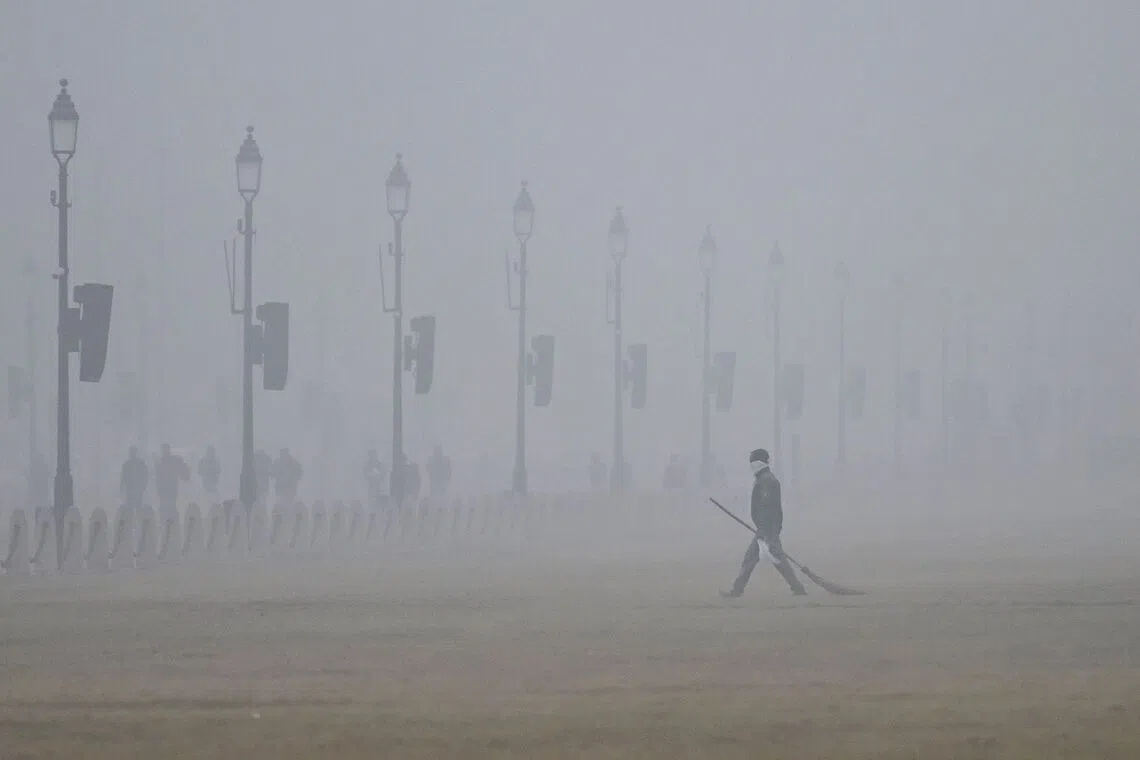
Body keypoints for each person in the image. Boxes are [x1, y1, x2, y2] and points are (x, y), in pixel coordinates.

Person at [721, 448, 807, 598]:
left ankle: (798, 588)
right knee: (752, 559)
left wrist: (764, 530)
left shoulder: (767, 481)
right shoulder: (764, 479)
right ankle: (736, 590)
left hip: (767, 529)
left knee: (777, 559)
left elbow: (768, 508)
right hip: (765, 528)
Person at [154, 443, 190, 515]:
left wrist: (186, 475)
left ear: (168, 450)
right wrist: (158, 487)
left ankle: (171, 521)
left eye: (166, 449)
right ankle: (165, 521)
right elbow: (157, 476)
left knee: (171, 505)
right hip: (163, 488)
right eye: (163, 450)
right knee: (164, 505)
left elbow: (182, 471)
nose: (165, 451)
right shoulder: (161, 462)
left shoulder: (174, 460)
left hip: (172, 487)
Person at [119, 446, 149, 515]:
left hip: (138, 489)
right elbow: (123, 477)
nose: (132, 454)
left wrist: (144, 486)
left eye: (133, 452)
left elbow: (145, 475)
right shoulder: (127, 464)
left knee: (138, 506)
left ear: (135, 453)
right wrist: (121, 487)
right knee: (130, 507)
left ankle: (138, 520)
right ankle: (131, 520)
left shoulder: (140, 463)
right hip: (130, 489)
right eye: (131, 453)